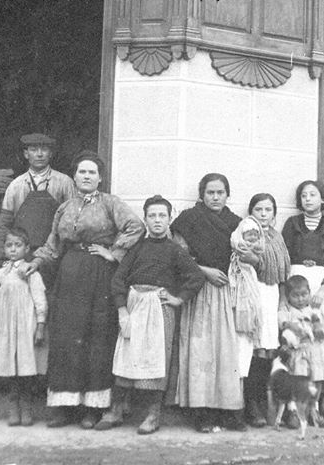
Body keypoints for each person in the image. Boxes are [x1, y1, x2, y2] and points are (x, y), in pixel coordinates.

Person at [30, 151, 144, 429]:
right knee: (67, 336)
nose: (87, 176)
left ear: (100, 177)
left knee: (95, 337)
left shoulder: (110, 203)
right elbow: (53, 244)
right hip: (69, 274)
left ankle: (91, 408)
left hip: (98, 274)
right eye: (82, 172)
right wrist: (34, 261)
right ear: (74, 176)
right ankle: (63, 406)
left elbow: (136, 227)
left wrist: (113, 252)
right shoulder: (65, 207)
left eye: (92, 172)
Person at [109, 195, 205, 434]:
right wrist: (122, 309)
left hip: (161, 309)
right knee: (127, 355)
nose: (157, 220)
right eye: (152, 215)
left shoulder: (175, 251)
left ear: (170, 218)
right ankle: (117, 409)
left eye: (162, 215)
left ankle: (153, 414)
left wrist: (178, 299)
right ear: (145, 219)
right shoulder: (137, 248)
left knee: (157, 359)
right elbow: (119, 279)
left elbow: (196, 277)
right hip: (134, 306)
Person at [171, 173, 246, 432]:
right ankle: (201, 411)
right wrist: (204, 270)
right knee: (200, 350)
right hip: (198, 289)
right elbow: (178, 254)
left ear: (227, 194)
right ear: (201, 194)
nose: (215, 197)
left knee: (225, 351)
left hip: (225, 291)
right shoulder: (188, 219)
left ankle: (227, 409)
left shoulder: (236, 223)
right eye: (210, 192)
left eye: (220, 192)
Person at [280, 180, 324, 424]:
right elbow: (284, 255)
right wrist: (290, 284)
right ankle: (292, 409)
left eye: (313, 195)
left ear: (323, 199)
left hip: (319, 286)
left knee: (322, 340)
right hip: (295, 282)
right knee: (295, 338)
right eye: (303, 195)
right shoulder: (292, 224)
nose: (307, 199)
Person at [240, 193, 291, 428]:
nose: (263, 214)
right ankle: (251, 405)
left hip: (271, 296)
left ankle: (266, 404)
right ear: (251, 212)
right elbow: (242, 260)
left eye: (268, 209)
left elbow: (282, 274)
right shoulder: (246, 234)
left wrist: (282, 302)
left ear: (274, 213)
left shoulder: (277, 238)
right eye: (258, 209)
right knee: (254, 351)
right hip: (253, 294)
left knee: (269, 351)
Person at [0, 133, 75, 269]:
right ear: (26, 154)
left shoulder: (64, 183)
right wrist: (1, 257)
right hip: (22, 254)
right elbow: (4, 223)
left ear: (50, 154)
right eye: (33, 150)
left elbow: (72, 220)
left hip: (54, 254)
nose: (39, 154)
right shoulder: (16, 185)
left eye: (44, 149)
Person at [0, 229, 48, 426]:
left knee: (26, 367)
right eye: (9, 245)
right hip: (7, 327)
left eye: (17, 245)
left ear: (27, 249)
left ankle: (26, 407)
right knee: (10, 367)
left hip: (26, 326)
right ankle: (13, 406)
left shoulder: (30, 272)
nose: (13, 249)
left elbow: (39, 299)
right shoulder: (2, 272)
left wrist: (40, 325)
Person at [278, 275, 324, 389]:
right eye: (295, 296)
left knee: (317, 377)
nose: (300, 299)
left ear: (309, 293)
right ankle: (301, 404)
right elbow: (282, 321)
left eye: (304, 295)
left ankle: (314, 404)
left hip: (313, 350)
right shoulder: (288, 311)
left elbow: (322, 330)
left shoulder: (313, 311)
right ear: (288, 296)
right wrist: (290, 325)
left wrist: (318, 328)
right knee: (299, 379)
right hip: (297, 352)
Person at [229, 216, 263, 382]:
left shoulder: (256, 253)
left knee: (246, 338)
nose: (252, 238)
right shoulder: (236, 252)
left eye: (255, 234)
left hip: (250, 290)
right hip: (236, 291)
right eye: (248, 234)